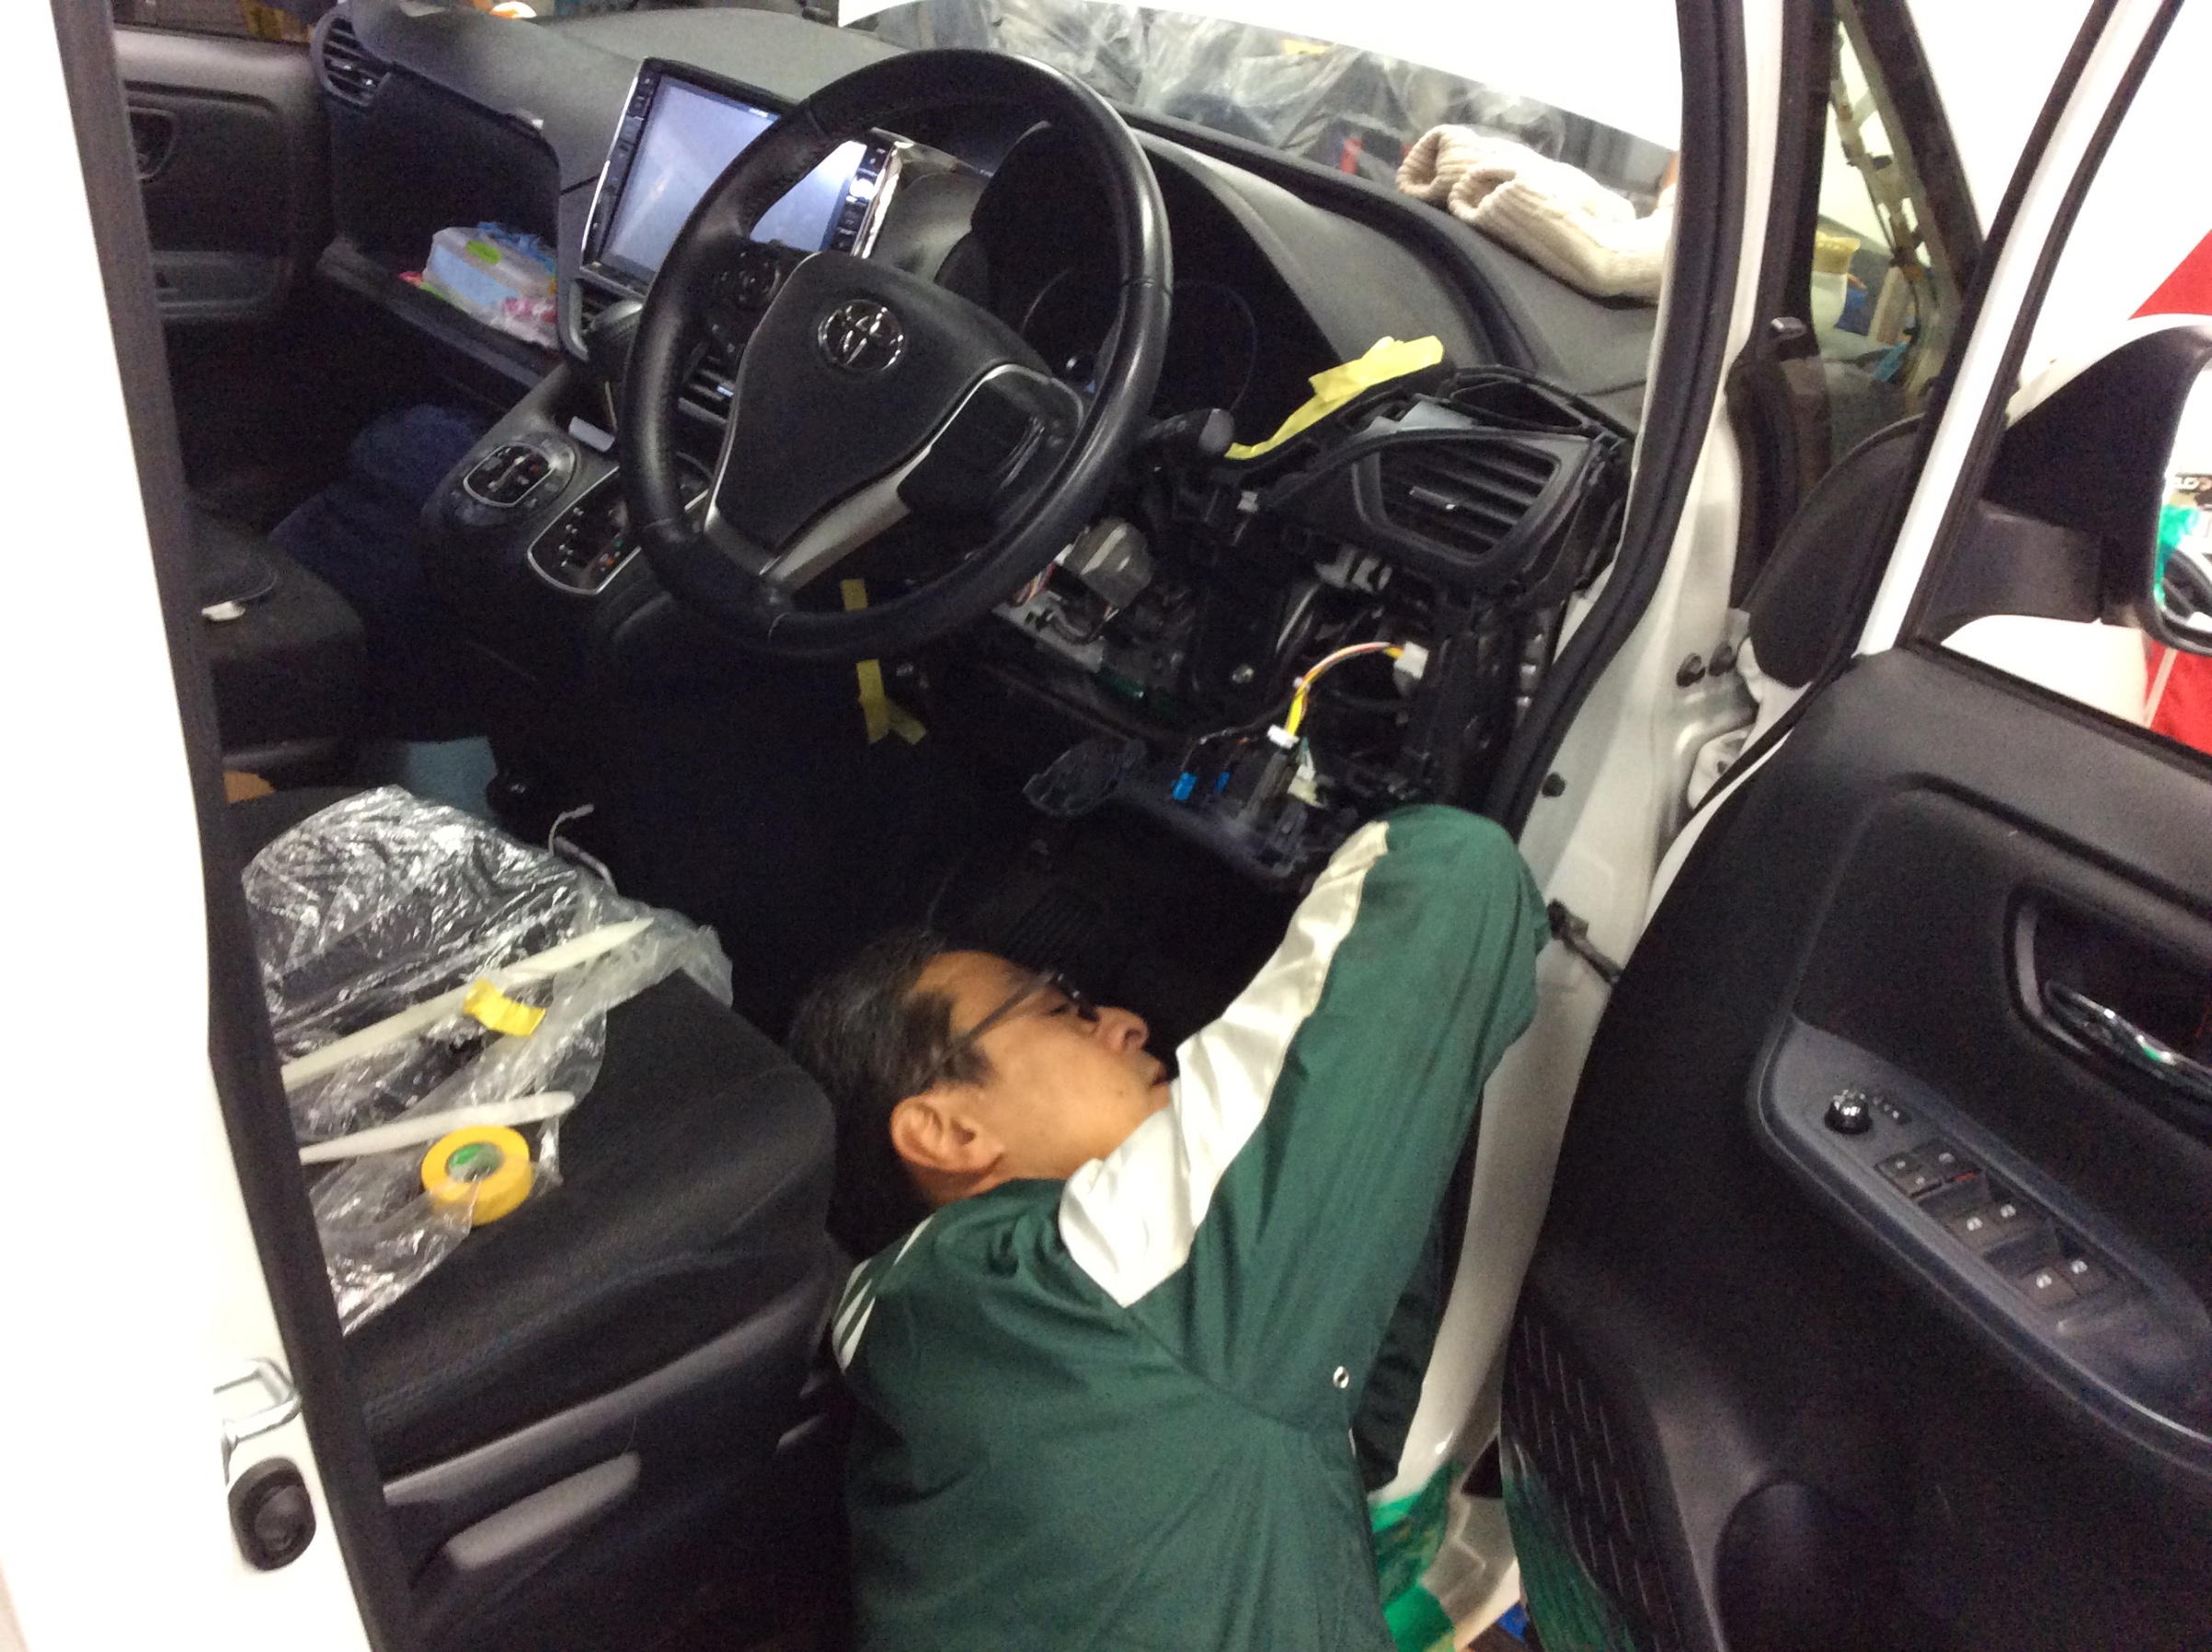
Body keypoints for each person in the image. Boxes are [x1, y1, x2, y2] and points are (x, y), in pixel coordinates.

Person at [787, 805, 1548, 1651]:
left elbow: (1334, 1439)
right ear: (948, 1132)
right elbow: (1447, 875)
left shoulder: (945, 1362)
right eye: (1059, 1010)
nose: (1125, 1022)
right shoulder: (1079, 1287)